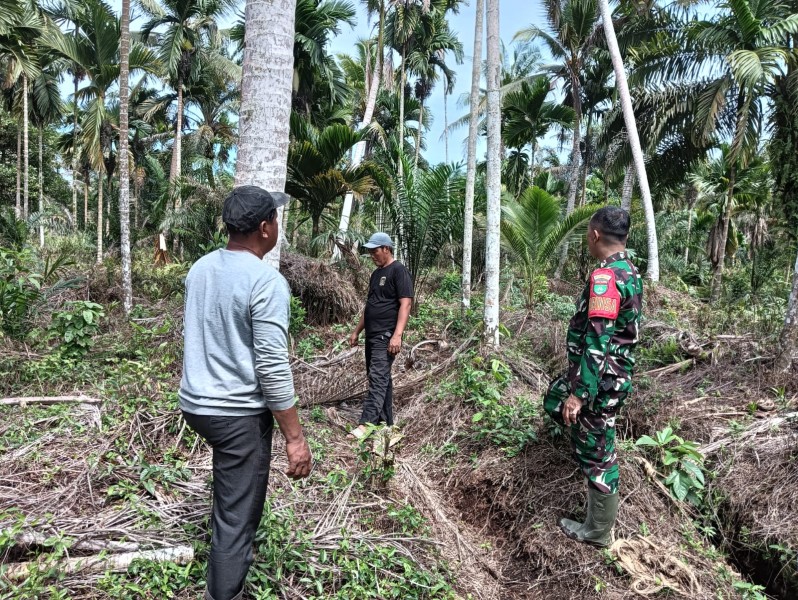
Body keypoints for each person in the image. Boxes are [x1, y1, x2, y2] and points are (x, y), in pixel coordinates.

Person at [179, 185, 313, 600]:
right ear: (264, 228)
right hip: (236, 415)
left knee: (231, 495)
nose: (277, 226)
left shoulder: (200, 268)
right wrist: (295, 437)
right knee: (236, 521)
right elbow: (272, 368)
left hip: (196, 405)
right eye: (275, 219)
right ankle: (225, 592)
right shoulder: (266, 282)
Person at [542, 206, 643, 547]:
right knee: (553, 398)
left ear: (595, 235)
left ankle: (597, 532)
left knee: (599, 454)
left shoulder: (606, 278)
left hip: (600, 382)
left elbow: (598, 341)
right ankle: (581, 443)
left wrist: (580, 394)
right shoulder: (629, 271)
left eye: (587, 232)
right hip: (612, 376)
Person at [348, 232, 413, 439]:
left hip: (386, 334)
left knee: (378, 376)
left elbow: (406, 303)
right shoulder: (376, 275)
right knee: (379, 377)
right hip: (372, 334)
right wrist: (357, 331)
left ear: (387, 248)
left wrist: (397, 335)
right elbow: (370, 306)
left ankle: (366, 424)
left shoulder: (399, 271)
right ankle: (386, 425)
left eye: (375, 251)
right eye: (369, 252)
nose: (372, 255)